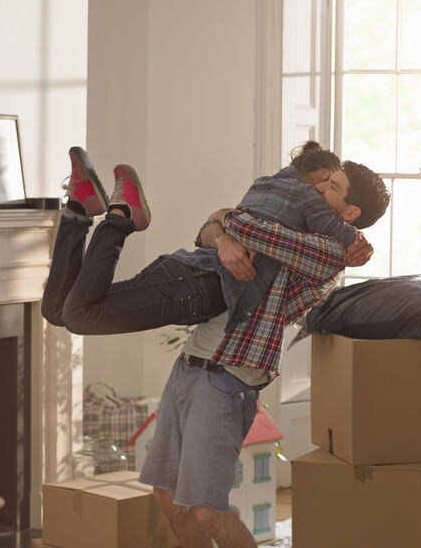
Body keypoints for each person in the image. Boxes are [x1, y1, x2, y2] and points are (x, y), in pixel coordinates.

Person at [41, 144, 389, 547]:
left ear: (350, 215)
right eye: (326, 179)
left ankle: (118, 214)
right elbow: (213, 230)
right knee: (167, 495)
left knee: (206, 509)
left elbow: (244, 225)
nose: (320, 187)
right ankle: (79, 210)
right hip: (191, 365)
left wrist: (224, 222)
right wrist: (220, 235)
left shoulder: (329, 252)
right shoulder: (297, 222)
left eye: (333, 187)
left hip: (226, 381)